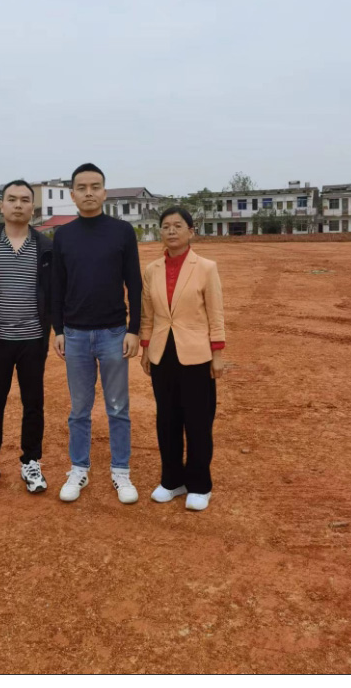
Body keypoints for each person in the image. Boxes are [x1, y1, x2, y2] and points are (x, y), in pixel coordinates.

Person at [52, 163, 142, 504]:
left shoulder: (122, 232)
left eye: (95, 186)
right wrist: (58, 329)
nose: (88, 193)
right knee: (79, 409)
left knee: (118, 407)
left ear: (104, 192)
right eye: (82, 187)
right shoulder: (63, 235)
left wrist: (134, 329)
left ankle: (121, 471)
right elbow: (57, 286)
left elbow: (134, 283)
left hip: (114, 334)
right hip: (75, 335)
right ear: (72, 194)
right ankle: (79, 468)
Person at [0, 180, 53, 496]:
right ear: (2, 206)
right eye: (12, 199)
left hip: (33, 340)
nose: (18, 205)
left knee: (33, 403)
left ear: (33, 207)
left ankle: (31, 462)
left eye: (25, 200)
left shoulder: (45, 247)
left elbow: (52, 289)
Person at [139, 207, 225, 511]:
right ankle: (172, 480)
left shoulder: (206, 267)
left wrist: (217, 354)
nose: (171, 231)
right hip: (162, 352)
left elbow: (215, 313)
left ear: (191, 231)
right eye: (166, 226)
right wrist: (146, 347)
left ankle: (200, 485)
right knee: (167, 419)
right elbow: (147, 314)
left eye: (178, 225)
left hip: (197, 354)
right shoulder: (152, 270)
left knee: (198, 421)